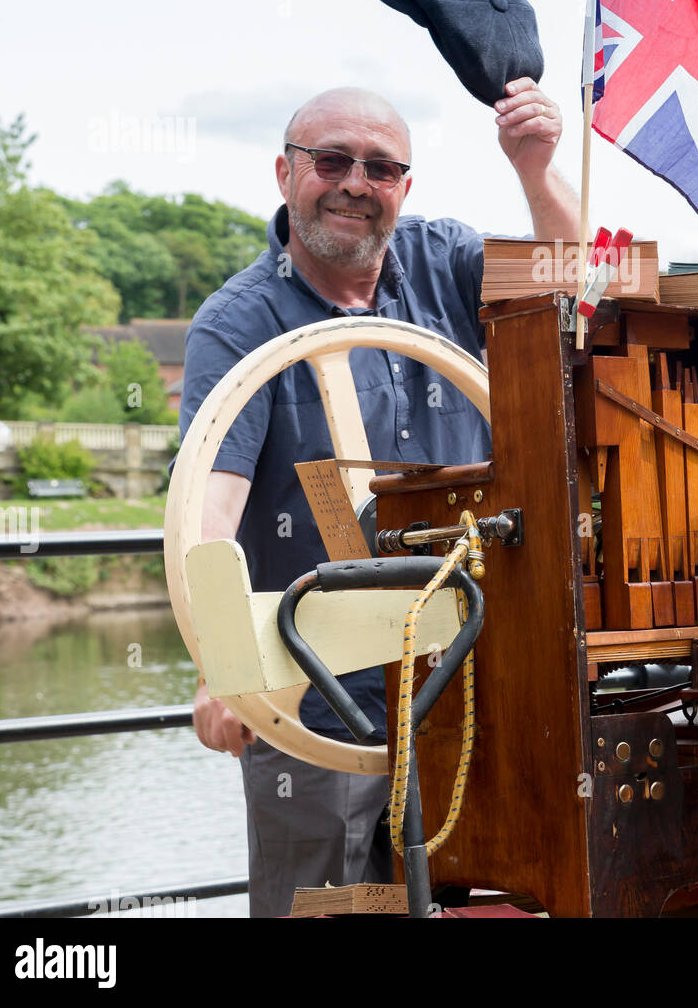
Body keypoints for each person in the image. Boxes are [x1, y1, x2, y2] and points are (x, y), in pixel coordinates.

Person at [180, 79, 578, 916]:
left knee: (489, 895)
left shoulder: (449, 262)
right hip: (317, 690)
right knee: (330, 909)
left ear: (406, 186)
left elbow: (575, 287)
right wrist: (220, 661)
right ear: (285, 173)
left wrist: (537, 170)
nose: (356, 183)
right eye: (331, 160)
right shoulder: (238, 323)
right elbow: (208, 504)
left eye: (382, 167)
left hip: (470, 681)